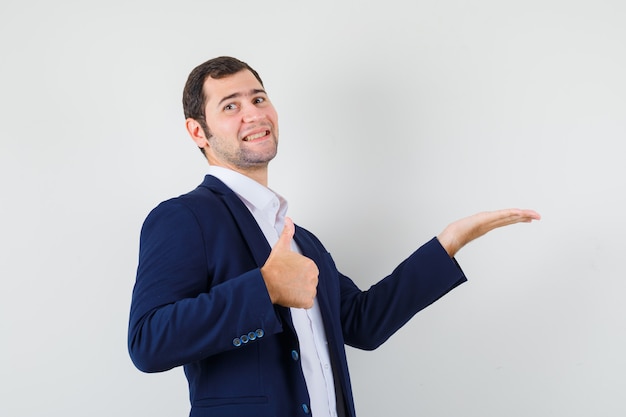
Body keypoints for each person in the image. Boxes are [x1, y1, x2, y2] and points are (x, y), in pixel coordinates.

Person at [127, 56, 540, 417]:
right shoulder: (184, 217)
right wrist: (264, 288)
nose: (253, 114)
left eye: (258, 98)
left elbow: (362, 323)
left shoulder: (301, 240)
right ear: (198, 132)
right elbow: (148, 341)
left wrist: (449, 243)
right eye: (230, 106)